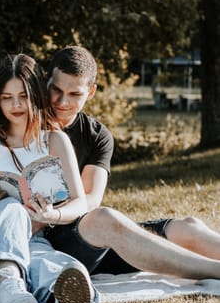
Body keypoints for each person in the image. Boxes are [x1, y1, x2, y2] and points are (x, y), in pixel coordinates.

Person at [36, 45, 220, 281]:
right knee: (105, 220)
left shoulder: (97, 135)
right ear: (46, 81)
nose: (62, 101)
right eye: (56, 89)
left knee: (188, 227)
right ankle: (214, 271)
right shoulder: (29, 124)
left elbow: (90, 199)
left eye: (75, 94)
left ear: (90, 93)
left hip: (89, 237)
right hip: (51, 245)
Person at [0, 53, 97, 303]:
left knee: (56, 265)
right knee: (10, 207)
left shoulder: (55, 140)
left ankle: (57, 296)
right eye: (7, 97)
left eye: (24, 96)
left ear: (36, 95)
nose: (15, 105)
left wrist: (53, 216)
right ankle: (8, 284)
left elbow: (81, 202)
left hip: (33, 242)